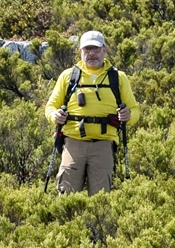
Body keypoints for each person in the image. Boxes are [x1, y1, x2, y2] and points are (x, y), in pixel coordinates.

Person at [45, 31, 138, 195]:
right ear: (80, 52)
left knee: (101, 198)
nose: (91, 53)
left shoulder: (118, 77)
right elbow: (50, 107)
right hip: (73, 143)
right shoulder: (69, 76)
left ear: (104, 50)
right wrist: (55, 115)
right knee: (67, 195)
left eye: (95, 49)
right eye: (87, 49)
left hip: (104, 145)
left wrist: (128, 115)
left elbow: (135, 110)